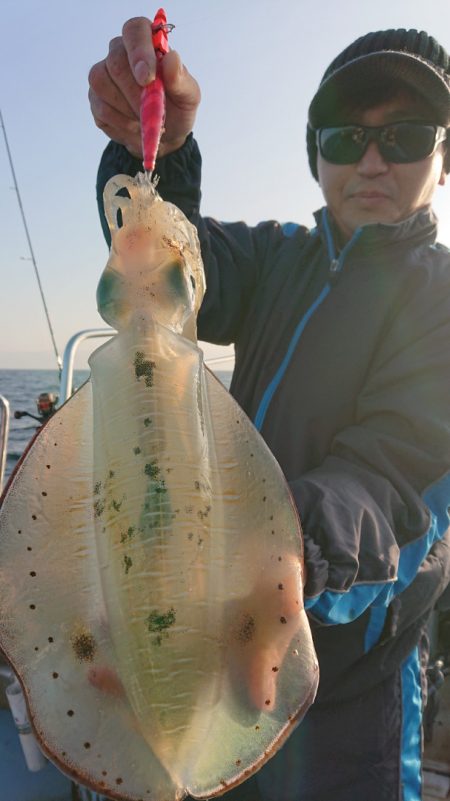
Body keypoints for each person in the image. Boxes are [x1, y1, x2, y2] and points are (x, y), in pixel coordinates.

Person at [89, 21, 450, 801]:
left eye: (408, 135)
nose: (374, 160)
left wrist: (272, 555)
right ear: (315, 150)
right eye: (347, 137)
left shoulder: (439, 297)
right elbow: (169, 263)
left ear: (445, 157)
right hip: (211, 641)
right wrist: (158, 151)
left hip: (350, 690)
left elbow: (392, 481)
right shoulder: (277, 255)